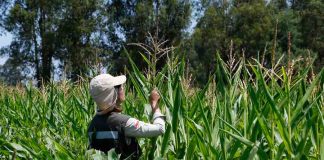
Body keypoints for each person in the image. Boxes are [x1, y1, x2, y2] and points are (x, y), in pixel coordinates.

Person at [87, 74, 165, 159]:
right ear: (114, 93)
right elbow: (160, 128)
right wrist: (154, 104)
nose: (123, 88)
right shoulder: (124, 123)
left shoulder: (93, 124)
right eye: (120, 86)